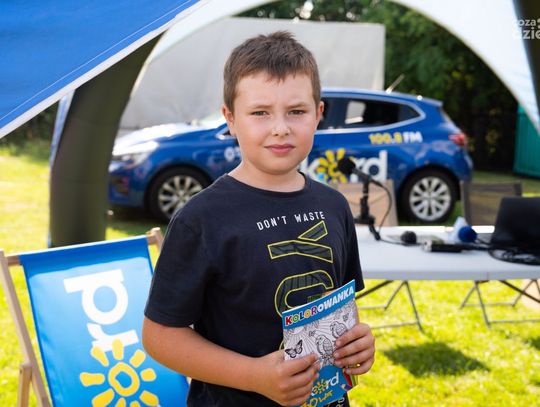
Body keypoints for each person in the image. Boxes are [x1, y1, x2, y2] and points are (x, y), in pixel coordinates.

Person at [142, 31, 375, 407]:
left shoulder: (334, 206)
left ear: (318, 114)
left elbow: (340, 309)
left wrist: (357, 343)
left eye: (296, 111)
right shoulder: (201, 220)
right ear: (230, 119)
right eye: (260, 112)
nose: (280, 127)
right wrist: (253, 376)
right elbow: (159, 336)